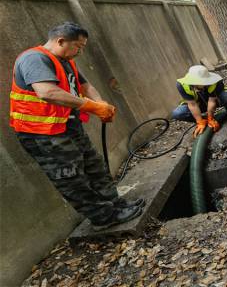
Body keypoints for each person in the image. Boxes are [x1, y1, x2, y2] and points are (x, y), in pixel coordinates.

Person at [10, 22, 145, 231]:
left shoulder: (66, 61)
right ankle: (104, 217)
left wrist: (102, 106)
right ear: (60, 41)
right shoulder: (34, 59)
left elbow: (85, 86)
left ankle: (116, 205)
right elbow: (47, 93)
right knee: (71, 177)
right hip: (43, 135)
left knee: (94, 167)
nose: (80, 52)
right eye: (78, 47)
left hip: (68, 128)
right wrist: (92, 107)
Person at [171, 65, 227, 137]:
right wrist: (199, 121)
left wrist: (211, 118)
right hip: (199, 104)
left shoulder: (216, 82)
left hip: (217, 100)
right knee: (178, 113)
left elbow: (212, 101)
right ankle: (203, 121)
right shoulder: (182, 85)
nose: (207, 83)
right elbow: (192, 104)